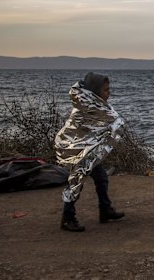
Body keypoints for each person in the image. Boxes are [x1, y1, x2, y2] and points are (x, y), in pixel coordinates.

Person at [56, 72, 125, 232]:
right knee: (76, 183)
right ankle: (67, 218)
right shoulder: (86, 108)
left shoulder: (95, 106)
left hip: (87, 151)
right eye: (106, 90)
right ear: (95, 92)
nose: (109, 93)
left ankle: (105, 210)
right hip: (76, 151)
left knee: (101, 178)